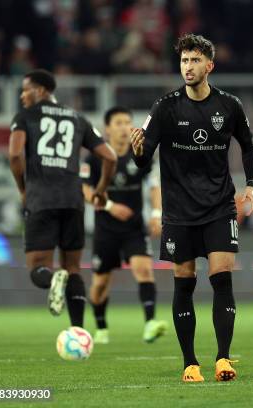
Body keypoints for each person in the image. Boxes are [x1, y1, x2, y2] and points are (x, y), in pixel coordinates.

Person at [129, 33, 253, 382]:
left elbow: (247, 146)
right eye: (184, 60)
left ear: (209, 65)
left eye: (195, 60)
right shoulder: (165, 107)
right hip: (179, 212)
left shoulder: (229, 105)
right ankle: (190, 363)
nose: (188, 66)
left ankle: (223, 359)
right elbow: (143, 162)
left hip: (219, 207)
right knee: (183, 284)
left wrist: (250, 184)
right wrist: (137, 151)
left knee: (222, 280)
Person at [8, 69, 117, 328]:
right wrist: (101, 189)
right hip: (73, 200)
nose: (23, 96)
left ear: (42, 91)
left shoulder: (25, 116)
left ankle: (53, 277)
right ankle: (78, 331)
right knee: (74, 268)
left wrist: (23, 189)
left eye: (26, 90)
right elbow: (110, 157)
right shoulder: (77, 117)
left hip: (41, 199)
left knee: (38, 268)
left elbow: (14, 155)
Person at [81, 106, 168, 344]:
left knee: (144, 270)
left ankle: (150, 323)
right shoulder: (95, 157)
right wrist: (109, 206)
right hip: (105, 230)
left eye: (127, 122)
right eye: (118, 123)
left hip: (133, 228)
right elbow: (85, 190)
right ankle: (101, 328)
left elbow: (153, 185)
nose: (123, 127)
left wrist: (157, 212)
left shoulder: (139, 153)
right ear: (107, 128)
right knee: (100, 284)